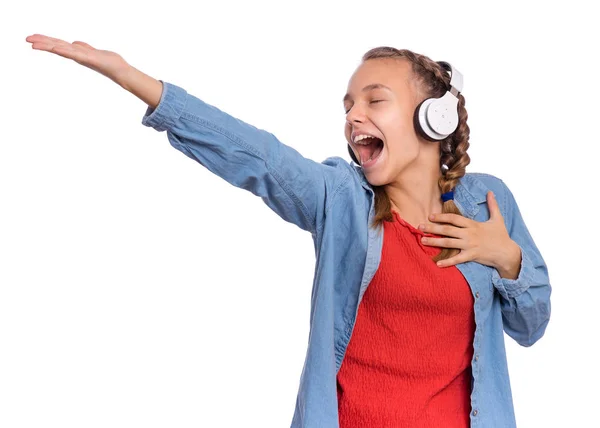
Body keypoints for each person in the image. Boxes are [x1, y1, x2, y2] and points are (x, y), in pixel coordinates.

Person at [25, 34, 552, 428]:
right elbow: (261, 157)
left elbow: (531, 327)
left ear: (433, 119)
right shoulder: (342, 200)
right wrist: (140, 84)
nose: (353, 116)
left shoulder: (487, 202)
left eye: (374, 100)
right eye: (347, 105)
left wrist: (508, 258)